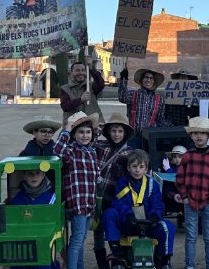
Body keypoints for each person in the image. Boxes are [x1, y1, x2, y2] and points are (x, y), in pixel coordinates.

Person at [102, 150, 177, 269]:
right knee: (109, 213)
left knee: (168, 227)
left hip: (148, 224)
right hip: (128, 223)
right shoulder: (122, 183)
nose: (137, 170)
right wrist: (129, 216)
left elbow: (157, 204)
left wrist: (154, 217)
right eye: (134, 166)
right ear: (128, 168)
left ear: (146, 169)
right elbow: (119, 203)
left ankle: (164, 260)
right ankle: (117, 254)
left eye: (141, 167)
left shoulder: (153, 184)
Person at [176, 117, 209, 269]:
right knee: (190, 237)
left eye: (202, 133)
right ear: (191, 136)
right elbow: (180, 178)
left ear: (208, 136)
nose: (199, 136)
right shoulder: (187, 156)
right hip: (190, 201)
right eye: (195, 133)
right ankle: (189, 265)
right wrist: (184, 197)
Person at [53, 112, 100, 269]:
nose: (85, 136)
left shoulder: (92, 152)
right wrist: (66, 129)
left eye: (88, 132)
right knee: (77, 240)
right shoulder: (71, 151)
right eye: (81, 132)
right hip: (78, 203)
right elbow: (57, 149)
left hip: (89, 203)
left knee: (81, 239)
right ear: (74, 134)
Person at [93, 113, 135, 269]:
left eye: (120, 131)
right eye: (113, 130)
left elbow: (135, 173)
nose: (117, 134)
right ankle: (102, 263)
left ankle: (116, 259)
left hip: (115, 198)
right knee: (98, 232)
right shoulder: (99, 146)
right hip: (97, 197)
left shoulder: (130, 153)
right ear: (108, 132)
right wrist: (96, 131)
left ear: (125, 133)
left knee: (114, 227)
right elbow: (84, 144)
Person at [4, 165, 60, 269]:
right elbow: (12, 224)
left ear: (44, 175)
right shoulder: (18, 199)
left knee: (44, 264)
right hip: (22, 244)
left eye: (38, 173)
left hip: (43, 243)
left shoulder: (52, 197)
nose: (34, 176)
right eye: (30, 173)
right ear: (24, 176)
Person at [118, 67, 167, 147]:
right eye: (146, 77)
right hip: (133, 135)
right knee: (132, 158)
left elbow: (160, 119)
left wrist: (171, 127)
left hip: (149, 136)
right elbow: (122, 97)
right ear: (142, 80)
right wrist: (124, 78)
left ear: (154, 82)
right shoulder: (133, 94)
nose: (148, 80)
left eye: (151, 78)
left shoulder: (159, 99)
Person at [161, 144, 187, 221]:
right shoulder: (176, 167)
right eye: (175, 157)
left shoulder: (184, 167)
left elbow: (177, 176)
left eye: (180, 157)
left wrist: (168, 170)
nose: (177, 159)